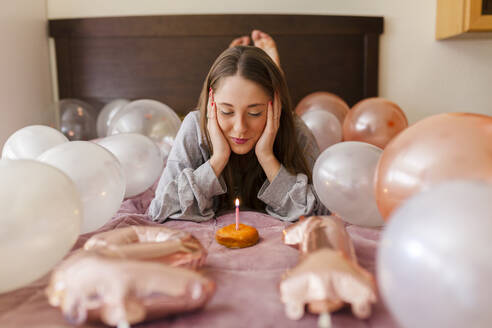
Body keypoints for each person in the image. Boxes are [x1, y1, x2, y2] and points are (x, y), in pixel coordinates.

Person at [148, 30, 329, 222]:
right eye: (226, 111)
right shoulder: (195, 125)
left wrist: (267, 157)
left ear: (275, 106)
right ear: (212, 102)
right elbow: (160, 210)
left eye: (254, 113)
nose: (240, 128)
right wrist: (217, 160)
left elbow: (322, 211)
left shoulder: (293, 126)